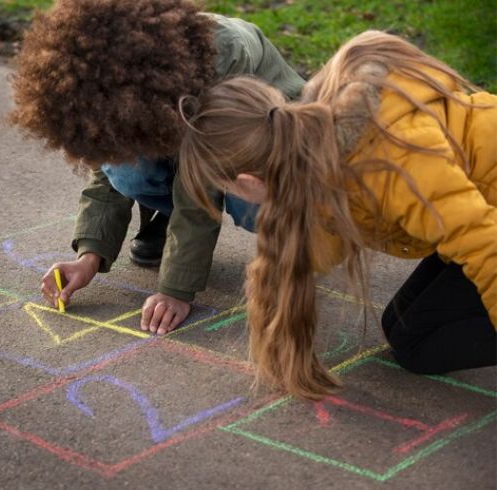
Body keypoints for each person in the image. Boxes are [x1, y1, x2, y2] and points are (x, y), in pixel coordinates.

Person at [178, 30, 496, 399]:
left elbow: (484, 246)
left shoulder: (388, 163)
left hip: (483, 225)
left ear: (247, 181)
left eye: (224, 187)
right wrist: (285, 271)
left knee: (419, 347)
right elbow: (332, 223)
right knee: (401, 327)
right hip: (477, 205)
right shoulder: (318, 144)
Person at [7, 0, 304, 334]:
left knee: (251, 202)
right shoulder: (112, 80)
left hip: (268, 150)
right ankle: (164, 219)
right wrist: (89, 255)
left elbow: (198, 189)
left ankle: (298, 239)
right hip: (185, 132)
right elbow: (109, 154)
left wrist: (176, 290)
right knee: (126, 170)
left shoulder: (219, 58)